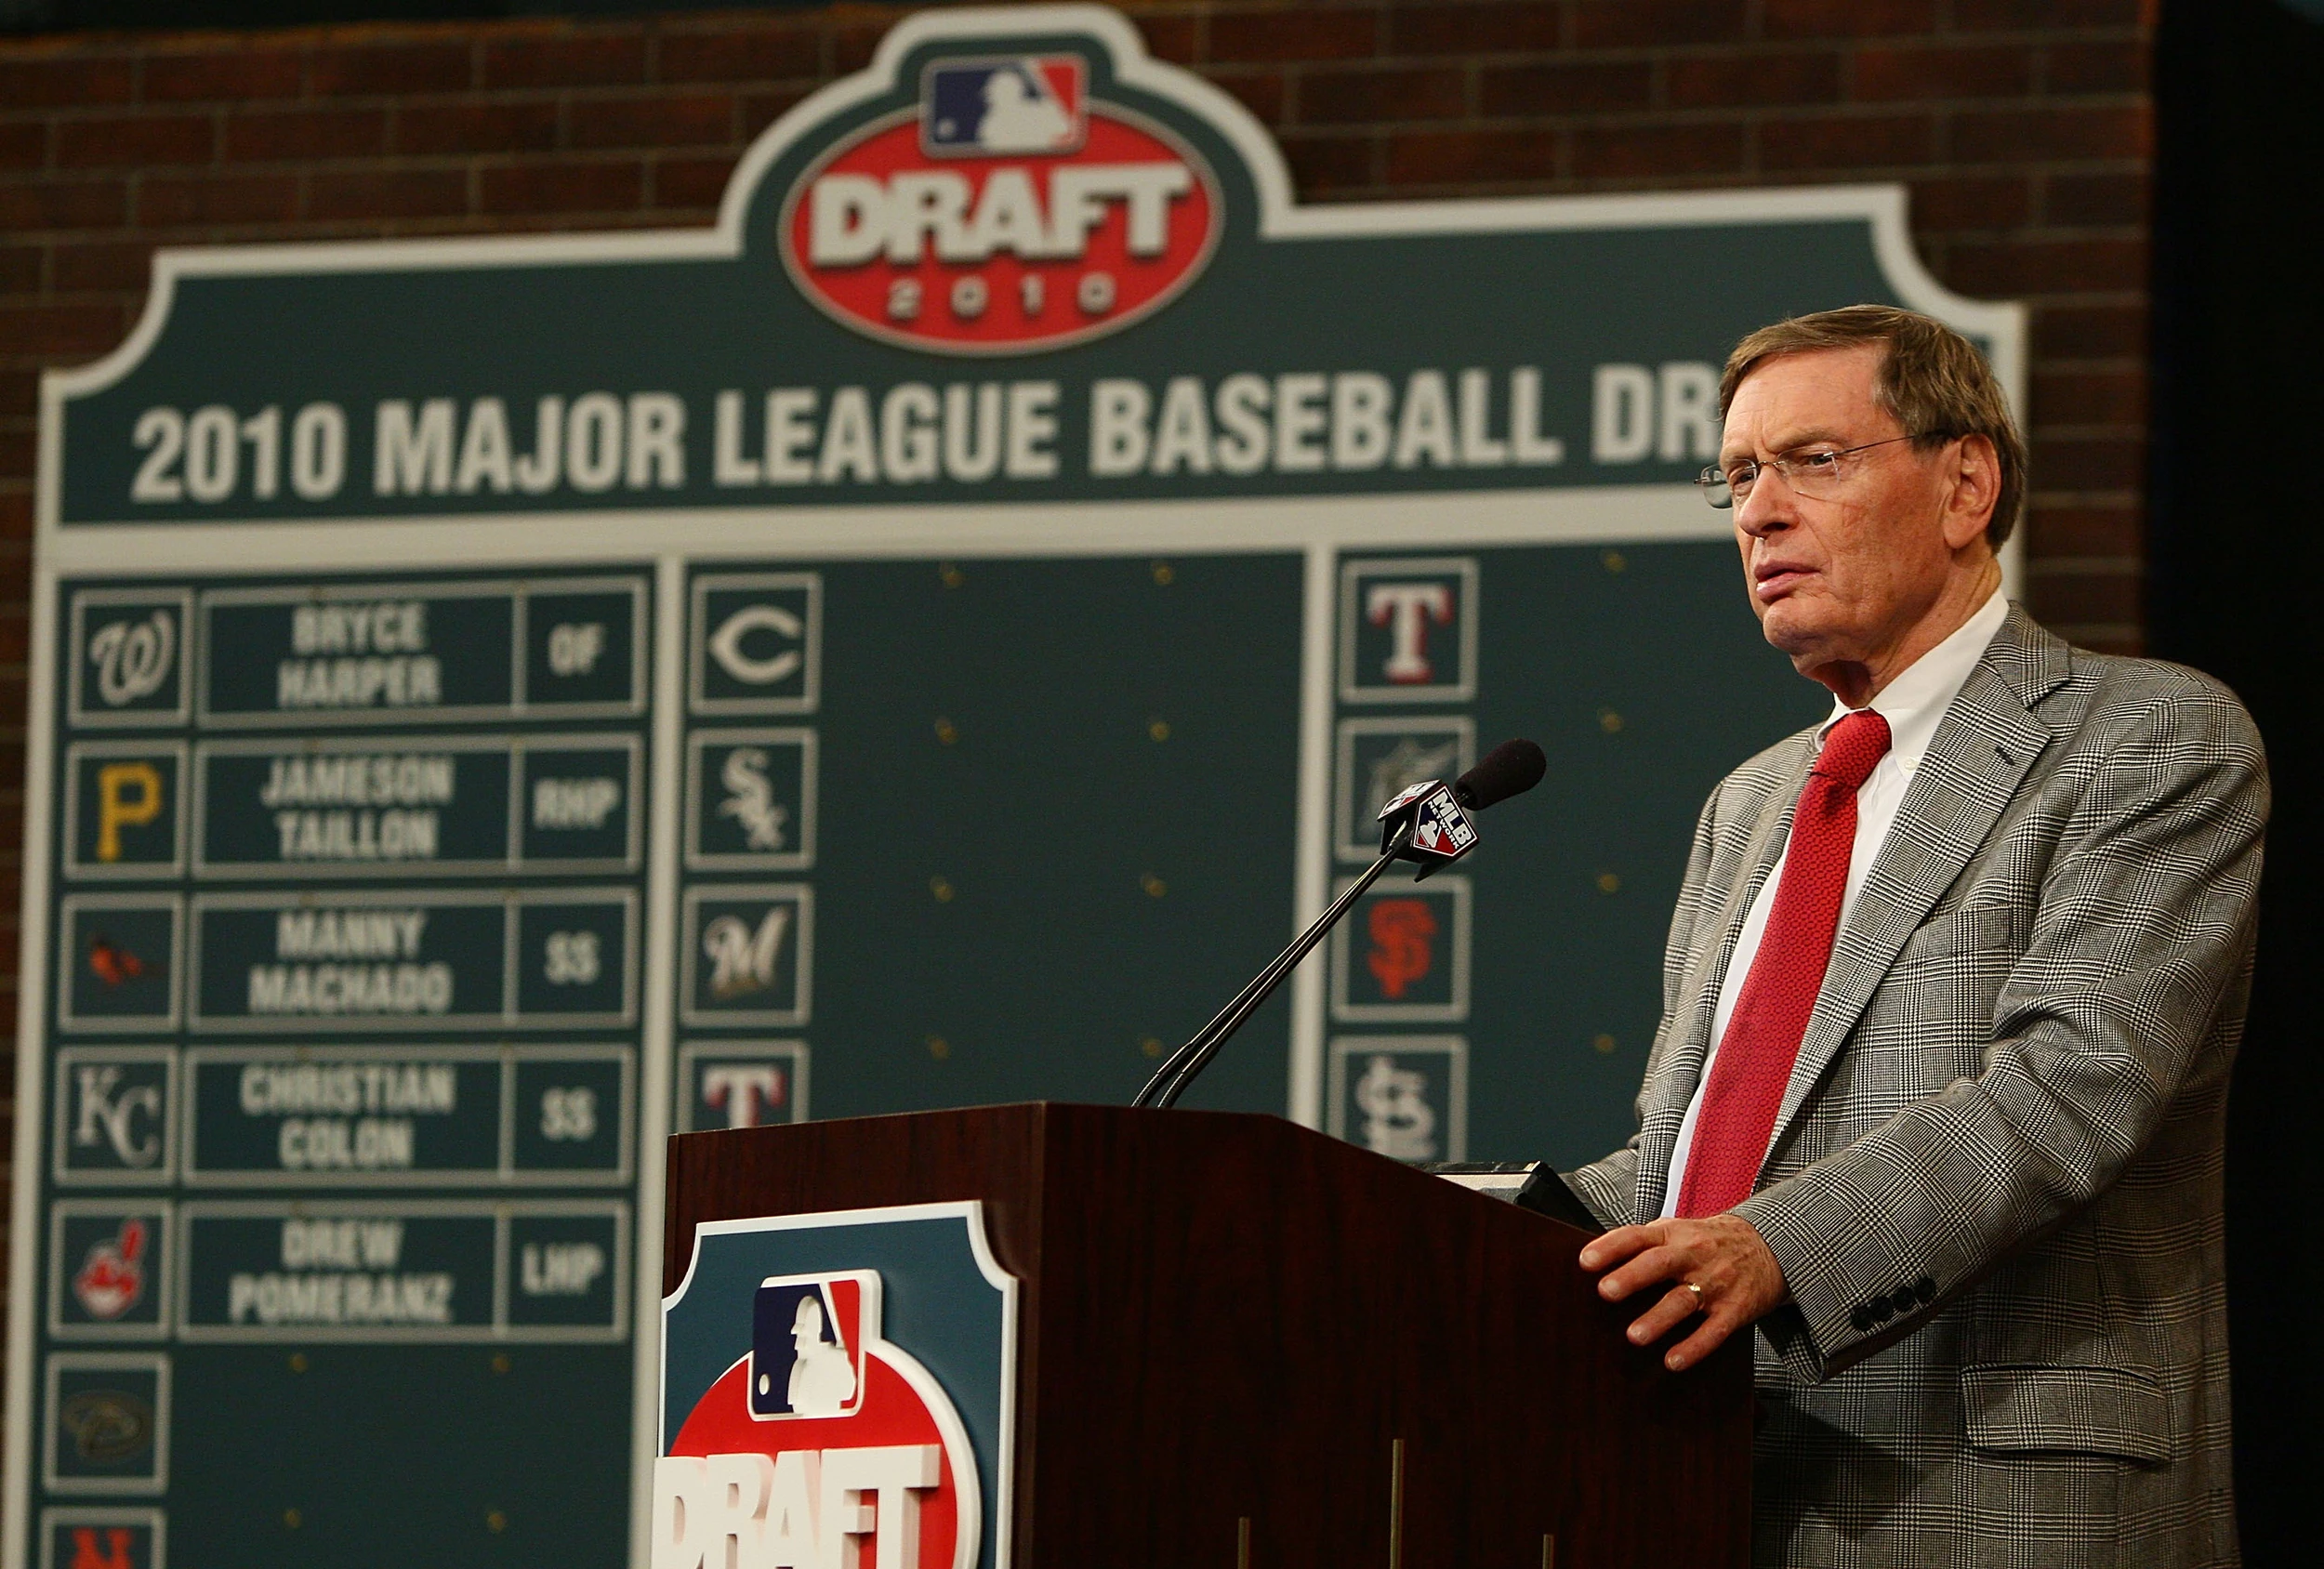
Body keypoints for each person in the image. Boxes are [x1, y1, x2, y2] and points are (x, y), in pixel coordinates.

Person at [1564, 305, 2266, 1567]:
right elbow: (1689, 1168)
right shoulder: (1752, 804)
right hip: (1703, 1489)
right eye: (1736, 477)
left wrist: (1773, 1252)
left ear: (1964, 485)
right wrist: (1462, 1228)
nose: (1758, 514)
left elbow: (2070, 1091)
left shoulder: (2147, 740)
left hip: (1990, 1491)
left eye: (1813, 461)